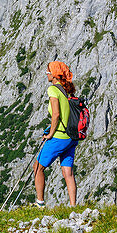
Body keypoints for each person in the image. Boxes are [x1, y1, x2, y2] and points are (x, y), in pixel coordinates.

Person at [33, 60, 78, 207]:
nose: (46, 74)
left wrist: (50, 133)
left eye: (48, 71)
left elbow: (56, 114)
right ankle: (73, 206)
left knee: (38, 167)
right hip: (71, 137)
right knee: (68, 173)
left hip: (59, 137)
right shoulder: (67, 90)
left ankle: (40, 203)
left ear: (54, 74)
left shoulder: (53, 90)